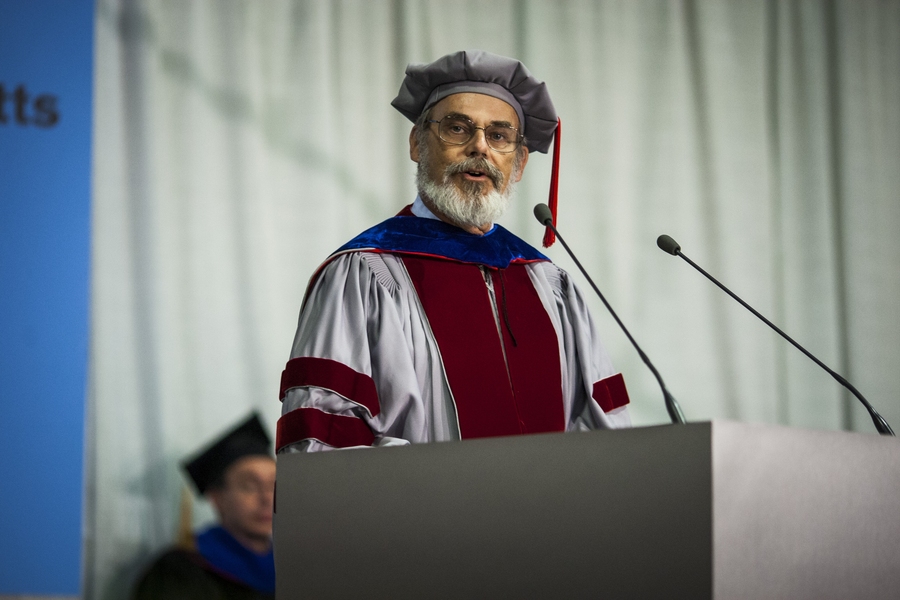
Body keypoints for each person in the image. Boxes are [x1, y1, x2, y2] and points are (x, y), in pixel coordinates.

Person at [277, 50, 631, 453]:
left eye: (499, 136)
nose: (480, 147)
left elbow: (604, 427)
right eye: (458, 129)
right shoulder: (364, 273)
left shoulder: (547, 282)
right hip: (420, 514)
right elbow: (325, 438)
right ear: (417, 144)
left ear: (518, 163)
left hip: (553, 515)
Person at [132, 413, 276, 600]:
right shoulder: (180, 570)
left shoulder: (295, 567)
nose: (267, 498)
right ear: (217, 498)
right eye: (249, 486)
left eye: (274, 484)